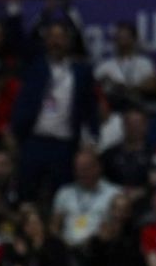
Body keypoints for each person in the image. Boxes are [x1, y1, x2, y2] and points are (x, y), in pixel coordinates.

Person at [11, 22, 99, 202]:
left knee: (61, 193)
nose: (56, 42)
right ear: (46, 41)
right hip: (35, 140)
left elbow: (90, 107)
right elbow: (18, 42)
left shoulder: (81, 71)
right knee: (27, 191)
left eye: (61, 38)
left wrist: (92, 137)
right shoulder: (34, 67)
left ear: (68, 41)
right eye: (52, 37)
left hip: (65, 143)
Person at [51, 149, 121, 251]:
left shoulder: (114, 194)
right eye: (78, 169)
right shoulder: (64, 193)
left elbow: (117, 227)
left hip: (99, 250)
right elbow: (54, 226)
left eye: (86, 169)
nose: (82, 173)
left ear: (98, 167)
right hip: (67, 249)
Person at [94, 22, 156, 110]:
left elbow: (151, 86)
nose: (122, 40)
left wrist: (126, 89)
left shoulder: (144, 63)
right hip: (112, 109)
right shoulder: (104, 66)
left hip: (139, 108)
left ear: (134, 39)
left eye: (126, 37)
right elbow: (94, 87)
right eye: (119, 37)